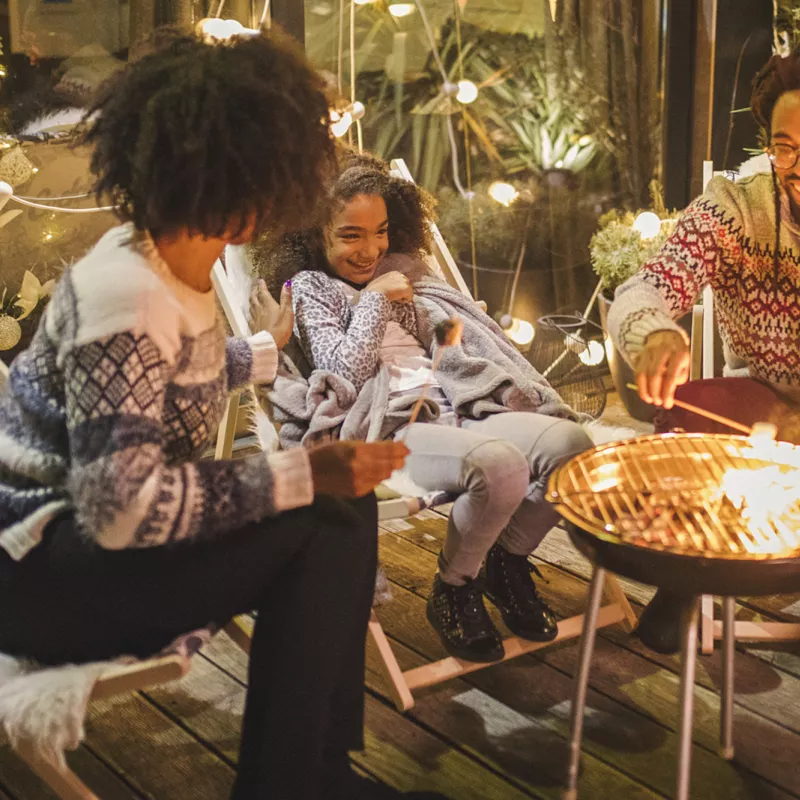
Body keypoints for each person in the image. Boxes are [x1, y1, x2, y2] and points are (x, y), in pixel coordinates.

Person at [0, 32, 442, 800]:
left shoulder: (168, 255)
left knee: (343, 510)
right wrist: (298, 469)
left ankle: (313, 772)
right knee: (322, 513)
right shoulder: (124, 298)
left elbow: (164, 374)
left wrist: (259, 353)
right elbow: (120, 511)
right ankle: (295, 784)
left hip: (78, 548)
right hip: (41, 580)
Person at [250, 151, 593, 665]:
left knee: (574, 448)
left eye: (381, 232)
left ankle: (507, 560)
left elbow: (450, 350)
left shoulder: (403, 275)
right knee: (500, 466)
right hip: (391, 426)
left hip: (458, 408)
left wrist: (479, 362)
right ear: (313, 232)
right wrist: (374, 301)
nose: (370, 250)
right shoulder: (310, 290)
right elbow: (343, 373)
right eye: (351, 235)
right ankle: (455, 588)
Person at [606, 47, 800, 654]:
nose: (798, 163)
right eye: (786, 145)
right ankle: (686, 570)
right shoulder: (738, 206)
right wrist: (656, 332)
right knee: (690, 409)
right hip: (766, 397)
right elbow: (644, 286)